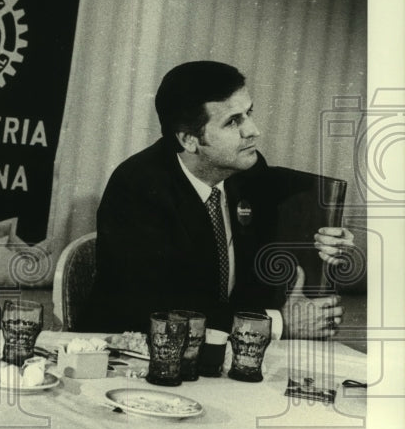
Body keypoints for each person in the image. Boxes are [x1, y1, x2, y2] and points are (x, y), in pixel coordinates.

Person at [89, 60, 354, 338]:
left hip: (216, 351)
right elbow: (160, 309)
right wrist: (279, 324)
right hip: (127, 350)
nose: (253, 130)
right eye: (232, 121)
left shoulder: (244, 168)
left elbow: (301, 197)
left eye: (248, 113)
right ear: (189, 140)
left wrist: (328, 234)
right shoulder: (137, 188)